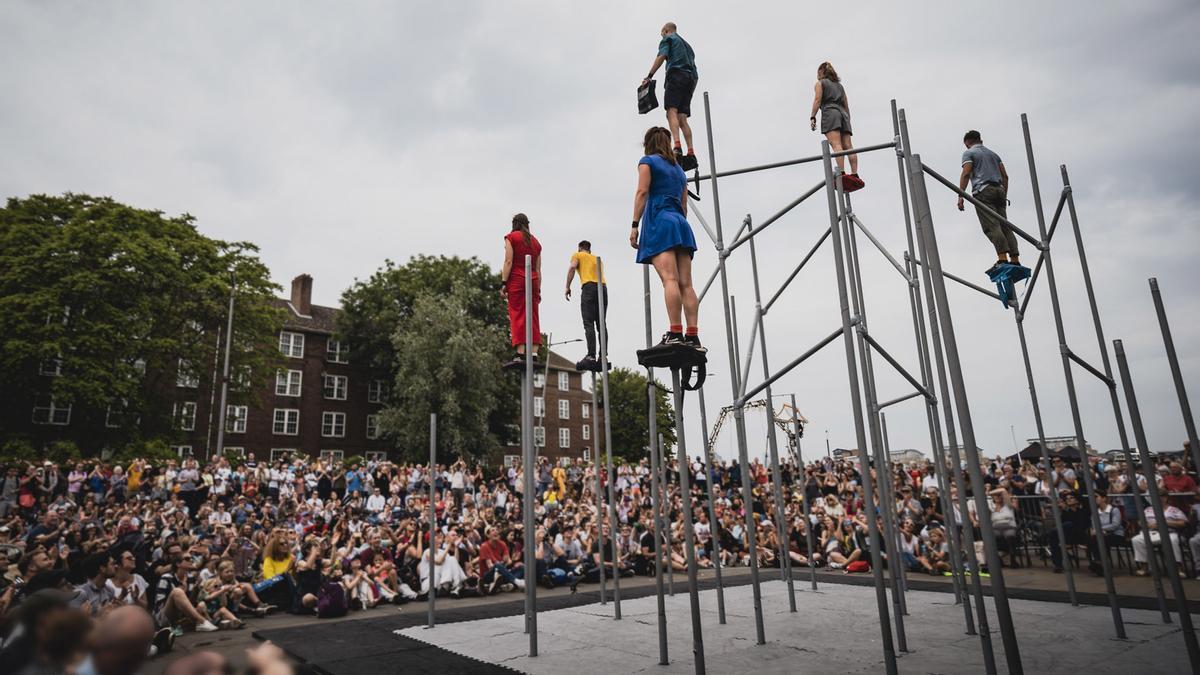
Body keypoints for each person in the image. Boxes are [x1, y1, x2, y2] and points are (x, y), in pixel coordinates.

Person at [631, 126, 702, 350]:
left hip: (660, 220)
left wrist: (634, 225)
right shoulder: (679, 171)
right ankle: (693, 335)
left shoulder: (647, 162)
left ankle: (675, 331)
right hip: (680, 223)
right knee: (686, 283)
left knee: (669, 280)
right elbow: (683, 205)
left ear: (649, 143)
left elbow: (642, 192)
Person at [640, 22, 699, 170]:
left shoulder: (668, 39)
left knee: (671, 111)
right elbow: (695, 69)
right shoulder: (688, 47)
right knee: (682, 117)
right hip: (691, 79)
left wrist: (649, 76)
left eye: (662, 33)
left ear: (666, 31)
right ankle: (691, 153)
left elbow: (661, 56)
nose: (662, 36)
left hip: (676, 75)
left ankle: (677, 147)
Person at [958, 130, 1018, 273]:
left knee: (992, 225)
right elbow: (1005, 176)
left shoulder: (969, 153)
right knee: (1005, 226)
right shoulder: (993, 154)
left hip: (983, 191)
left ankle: (1002, 258)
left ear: (967, 143)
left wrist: (960, 195)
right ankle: (1015, 259)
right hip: (999, 190)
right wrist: (1004, 194)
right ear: (981, 140)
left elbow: (966, 173)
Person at [809, 62, 861, 189]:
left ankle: (841, 172)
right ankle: (855, 174)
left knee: (836, 145)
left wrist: (813, 116)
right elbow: (846, 105)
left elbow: (817, 100)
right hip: (844, 114)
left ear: (821, 72)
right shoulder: (840, 86)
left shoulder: (820, 84)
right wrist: (847, 119)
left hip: (830, 113)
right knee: (849, 146)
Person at [500, 213, 542, 366]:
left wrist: (504, 282)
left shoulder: (511, 237)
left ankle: (520, 352)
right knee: (533, 315)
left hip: (517, 280)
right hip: (533, 281)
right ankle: (534, 352)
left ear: (514, 224)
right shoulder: (536, 243)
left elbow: (509, 260)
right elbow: (537, 269)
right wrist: (538, 289)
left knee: (517, 313)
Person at [564, 240, 609, 370]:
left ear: (579, 248)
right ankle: (603, 356)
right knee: (601, 323)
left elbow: (572, 267)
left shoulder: (577, 255)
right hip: (603, 288)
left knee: (588, 322)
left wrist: (567, 286)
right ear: (589, 249)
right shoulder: (598, 259)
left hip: (589, 287)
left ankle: (591, 355)